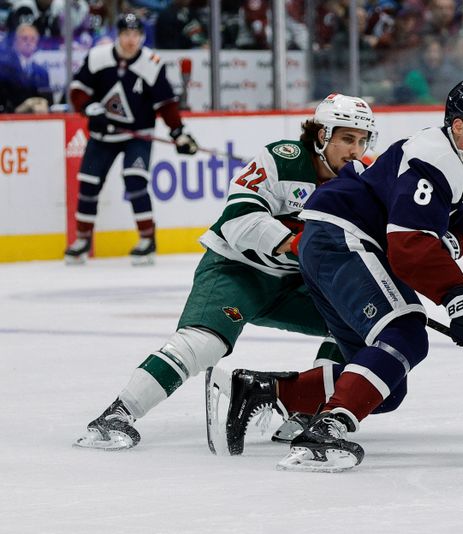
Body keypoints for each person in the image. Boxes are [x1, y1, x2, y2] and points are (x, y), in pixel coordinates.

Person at [207, 79, 463, 472]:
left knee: (385, 384)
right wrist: (459, 295)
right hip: (341, 235)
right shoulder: (432, 156)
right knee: (404, 334)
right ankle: (325, 432)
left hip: (339, 242)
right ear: (459, 128)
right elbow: (409, 248)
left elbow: (455, 236)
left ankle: (260, 390)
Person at [73, 93, 379, 451]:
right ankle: (118, 413)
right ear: (321, 135)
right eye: (346, 138)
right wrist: (296, 243)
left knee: (358, 322)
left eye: (361, 140)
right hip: (238, 270)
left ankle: (305, 411)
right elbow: (238, 220)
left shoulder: (359, 182)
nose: (355, 150)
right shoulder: (284, 159)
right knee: (204, 343)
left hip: (297, 281)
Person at [64, 13, 198, 266]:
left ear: (142, 37)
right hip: (103, 135)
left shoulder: (151, 63)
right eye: (126, 34)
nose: (131, 40)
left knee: (135, 181)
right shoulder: (98, 57)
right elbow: (78, 90)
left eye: (136, 35)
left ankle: (147, 239)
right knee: (89, 183)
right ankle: (82, 240)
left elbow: (166, 104)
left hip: (138, 135)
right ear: (118, 35)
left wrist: (178, 132)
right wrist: (89, 107)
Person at [0, 23, 51, 113]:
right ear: (15, 41)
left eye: (32, 39)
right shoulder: (4, 68)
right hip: (11, 121)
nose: (28, 42)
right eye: (24, 38)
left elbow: (49, 101)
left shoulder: (42, 72)